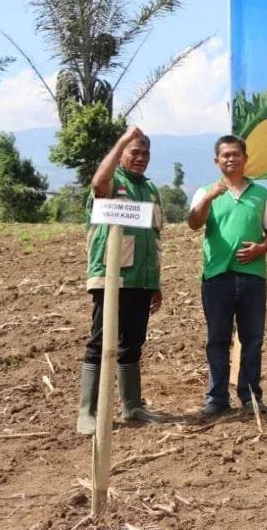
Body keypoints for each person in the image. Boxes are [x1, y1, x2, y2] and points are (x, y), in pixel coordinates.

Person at [78, 125, 167, 434]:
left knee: (132, 343)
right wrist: (122, 140)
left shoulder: (150, 190)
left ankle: (132, 407)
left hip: (141, 279)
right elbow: (97, 183)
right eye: (134, 152)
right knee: (100, 341)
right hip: (111, 276)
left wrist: (154, 282)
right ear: (120, 155)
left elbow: (153, 237)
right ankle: (88, 412)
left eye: (145, 154)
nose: (141, 158)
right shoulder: (113, 181)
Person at [188, 135, 267, 416]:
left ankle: (250, 396)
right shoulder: (205, 192)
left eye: (236, 154)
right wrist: (208, 198)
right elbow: (193, 223)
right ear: (217, 161)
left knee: (252, 339)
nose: (231, 159)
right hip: (217, 276)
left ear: (245, 158)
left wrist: (261, 248)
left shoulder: (261, 194)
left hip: (253, 276)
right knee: (217, 339)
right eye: (226, 155)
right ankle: (216, 397)